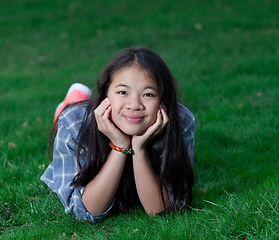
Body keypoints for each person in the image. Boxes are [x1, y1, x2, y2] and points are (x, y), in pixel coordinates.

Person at [41, 47, 195, 223]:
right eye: (123, 92)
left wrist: (139, 148)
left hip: (120, 119)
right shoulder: (73, 124)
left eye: (148, 94)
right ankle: (71, 101)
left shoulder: (180, 121)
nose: (134, 105)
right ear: (105, 94)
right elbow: (84, 211)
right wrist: (120, 146)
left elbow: (161, 211)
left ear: (162, 99)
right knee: (65, 114)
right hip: (80, 117)